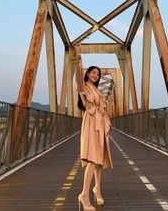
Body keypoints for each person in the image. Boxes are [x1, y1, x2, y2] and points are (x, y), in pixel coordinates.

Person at [75, 43, 113, 211]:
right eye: (93, 72)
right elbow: (78, 78)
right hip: (91, 124)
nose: (96, 75)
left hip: (100, 125)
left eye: (98, 74)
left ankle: (97, 188)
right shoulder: (85, 88)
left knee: (98, 159)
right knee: (92, 158)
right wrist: (78, 60)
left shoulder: (97, 92)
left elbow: (103, 109)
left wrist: (108, 122)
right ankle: (84, 194)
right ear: (88, 74)